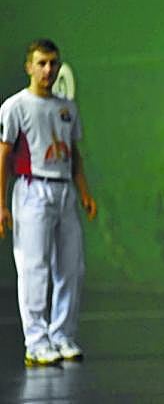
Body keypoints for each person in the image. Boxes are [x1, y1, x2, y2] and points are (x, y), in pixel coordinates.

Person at [0, 39, 97, 366]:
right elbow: (3, 156)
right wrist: (1, 204)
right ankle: (36, 342)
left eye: (53, 63)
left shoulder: (67, 107)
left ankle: (62, 335)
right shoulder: (15, 106)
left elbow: (74, 154)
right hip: (31, 191)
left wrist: (84, 192)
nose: (48, 69)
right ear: (29, 66)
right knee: (34, 269)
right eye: (41, 63)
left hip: (64, 191)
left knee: (72, 267)